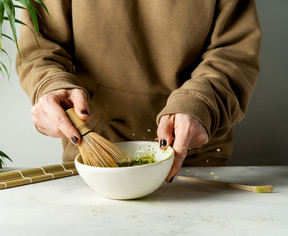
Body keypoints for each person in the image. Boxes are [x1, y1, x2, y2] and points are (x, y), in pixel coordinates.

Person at [16, 0, 261, 182]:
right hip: (93, 158)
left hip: (192, 157)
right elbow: (39, 47)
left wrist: (199, 104)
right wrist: (49, 85)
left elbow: (234, 54)